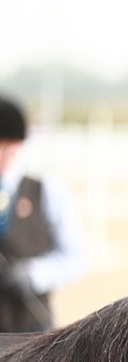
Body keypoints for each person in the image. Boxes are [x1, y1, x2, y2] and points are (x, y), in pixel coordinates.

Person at [0, 96, 86, 332]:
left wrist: (34, 274)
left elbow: (75, 257)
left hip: (30, 334)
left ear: (12, 145)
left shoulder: (46, 190)